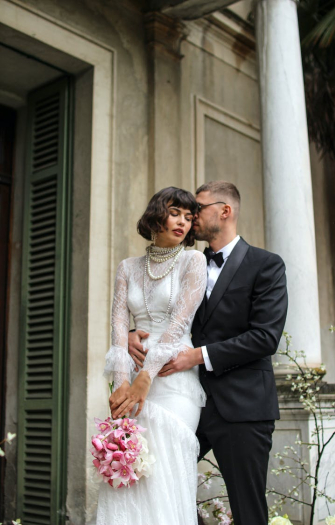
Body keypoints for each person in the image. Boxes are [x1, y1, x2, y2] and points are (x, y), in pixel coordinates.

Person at [128, 180, 288, 525]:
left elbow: (265, 337)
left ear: (224, 211)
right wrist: (131, 333)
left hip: (243, 406)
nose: (190, 217)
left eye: (197, 209)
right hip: (187, 401)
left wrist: (196, 355)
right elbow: (156, 309)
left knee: (248, 511)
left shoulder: (266, 265)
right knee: (158, 488)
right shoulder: (186, 264)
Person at [97, 187, 207, 525]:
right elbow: (118, 326)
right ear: (156, 213)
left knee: (164, 470)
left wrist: (145, 378)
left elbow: (179, 325)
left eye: (189, 218)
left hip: (172, 377)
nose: (183, 223)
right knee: (128, 464)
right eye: (176, 213)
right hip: (131, 374)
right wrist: (122, 383)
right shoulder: (127, 267)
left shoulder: (193, 260)